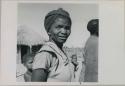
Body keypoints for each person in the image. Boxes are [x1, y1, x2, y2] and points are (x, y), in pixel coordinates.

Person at [31, 8, 74, 82]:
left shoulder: (60, 52)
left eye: (67, 28)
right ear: (48, 30)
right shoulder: (45, 54)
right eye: (58, 27)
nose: (64, 31)